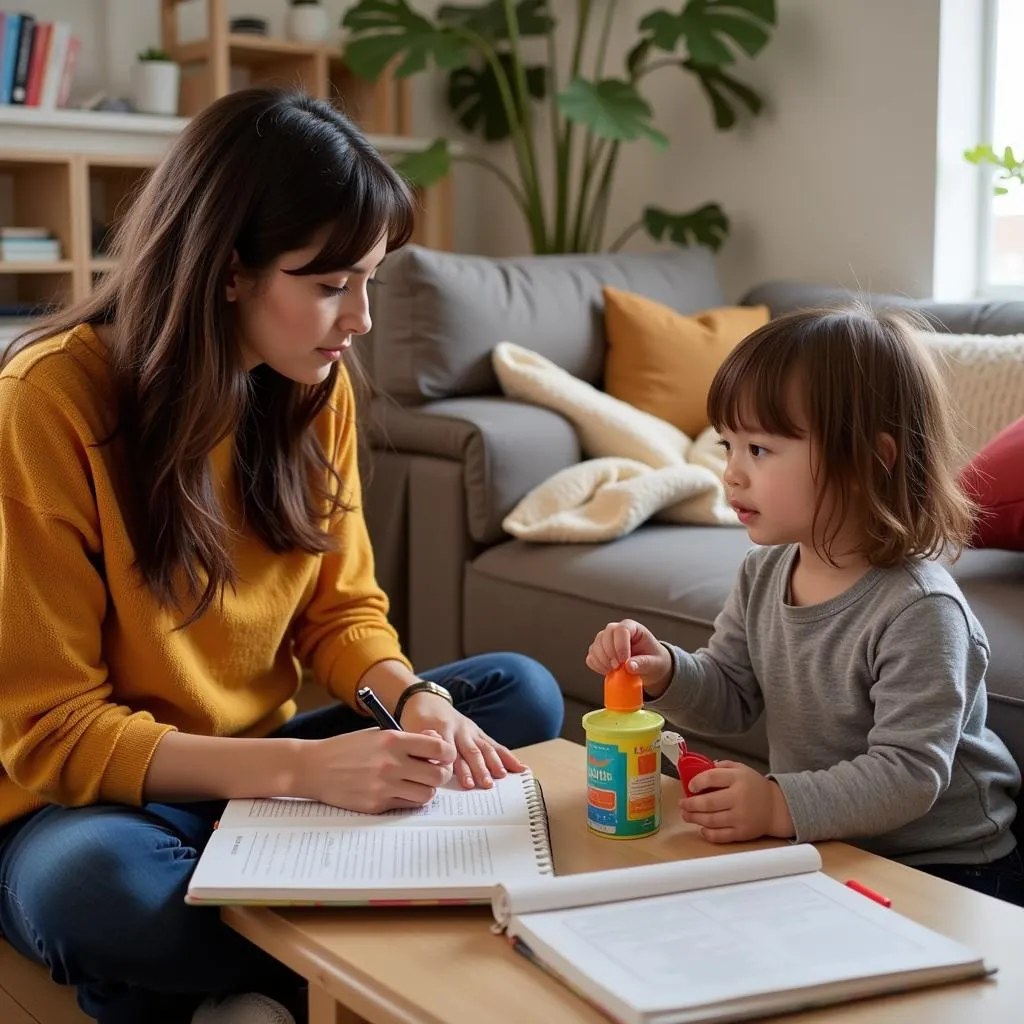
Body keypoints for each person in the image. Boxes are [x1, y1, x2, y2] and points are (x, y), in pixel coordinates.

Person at [0, 88, 563, 1024]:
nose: (362, 319)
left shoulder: (311, 387)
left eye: (371, 279)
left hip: (249, 780)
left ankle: (226, 984)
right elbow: (51, 731)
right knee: (92, 893)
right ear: (227, 271)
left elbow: (339, 613)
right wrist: (305, 775)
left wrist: (412, 699)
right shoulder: (48, 403)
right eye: (331, 284)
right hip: (85, 806)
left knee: (519, 692)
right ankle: (353, 957)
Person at [586, 305, 1024, 906]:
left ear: (872, 458)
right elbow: (732, 692)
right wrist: (662, 670)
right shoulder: (765, 571)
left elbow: (907, 776)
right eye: (727, 445)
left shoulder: (921, 611)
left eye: (760, 450)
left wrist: (778, 802)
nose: (730, 474)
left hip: (945, 865)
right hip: (826, 841)